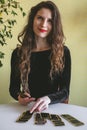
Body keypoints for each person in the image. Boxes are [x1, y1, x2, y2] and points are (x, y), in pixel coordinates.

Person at [9, 1, 71, 113]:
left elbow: (65, 91)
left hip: (52, 108)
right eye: (40, 18)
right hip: (27, 110)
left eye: (50, 21)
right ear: (32, 19)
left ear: (55, 25)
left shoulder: (63, 52)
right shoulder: (17, 54)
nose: (43, 24)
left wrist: (48, 99)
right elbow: (13, 88)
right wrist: (19, 96)